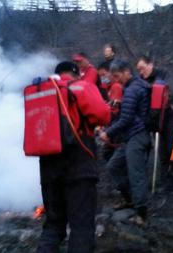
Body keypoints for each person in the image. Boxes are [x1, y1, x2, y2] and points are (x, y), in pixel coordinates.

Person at [36, 61, 110, 253]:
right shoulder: (81, 87)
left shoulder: (42, 92)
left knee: (53, 225)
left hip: (48, 170)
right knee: (81, 227)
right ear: (76, 74)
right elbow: (103, 116)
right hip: (78, 168)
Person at [99, 59, 151, 225]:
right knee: (113, 166)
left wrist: (108, 132)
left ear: (127, 71)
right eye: (114, 77)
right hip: (131, 136)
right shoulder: (132, 87)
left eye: (117, 76)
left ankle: (141, 213)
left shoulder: (132, 89)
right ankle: (130, 199)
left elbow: (126, 118)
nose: (116, 80)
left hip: (137, 135)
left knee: (136, 174)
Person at [136, 55, 173, 192]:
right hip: (155, 118)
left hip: (171, 115)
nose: (141, 72)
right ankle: (167, 181)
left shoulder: (164, 74)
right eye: (139, 70)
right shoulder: (141, 80)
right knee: (162, 151)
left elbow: (170, 92)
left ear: (150, 65)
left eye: (143, 68)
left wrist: (153, 89)